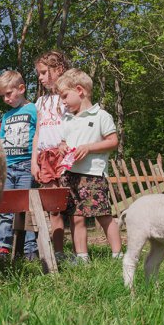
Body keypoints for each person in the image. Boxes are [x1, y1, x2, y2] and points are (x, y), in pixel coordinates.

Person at [55, 68, 122, 263]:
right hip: (70, 174)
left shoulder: (101, 116)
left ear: (80, 90)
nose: (63, 102)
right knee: (76, 216)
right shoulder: (67, 119)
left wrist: (89, 148)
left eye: (65, 96)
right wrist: (62, 147)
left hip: (92, 175)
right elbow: (63, 141)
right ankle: (82, 257)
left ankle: (118, 255)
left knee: (103, 215)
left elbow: (113, 141)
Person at [0, 70, 38, 260]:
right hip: (8, 167)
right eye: (2, 95)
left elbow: (39, 134)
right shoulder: (6, 117)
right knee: (6, 208)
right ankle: (3, 246)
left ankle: (30, 249)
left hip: (26, 165)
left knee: (27, 208)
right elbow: (1, 139)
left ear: (21, 89)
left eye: (8, 94)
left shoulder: (34, 110)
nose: (5, 99)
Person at [30, 50, 71, 261]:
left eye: (44, 72)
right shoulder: (40, 103)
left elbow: (75, 125)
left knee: (72, 206)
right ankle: (57, 253)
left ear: (59, 70)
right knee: (53, 207)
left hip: (64, 155)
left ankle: (80, 252)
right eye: (40, 73)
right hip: (44, 157)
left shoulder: (68, 98)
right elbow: (37, 133)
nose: (40, 77)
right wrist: (33, 163)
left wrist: (67, 142)